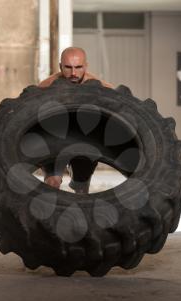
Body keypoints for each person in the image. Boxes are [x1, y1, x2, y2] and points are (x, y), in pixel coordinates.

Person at [39, 46, 113, 194]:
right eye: (68, 67)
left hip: (84, 140)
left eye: (78, 67)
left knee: (81, 188)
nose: (73, 73)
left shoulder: (102, 88)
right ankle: (50, 215)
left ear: (86, 66)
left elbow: (123, 108)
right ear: (60, 66)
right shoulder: (45, 87)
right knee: (52, 183)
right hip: (54, 138)